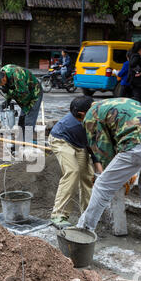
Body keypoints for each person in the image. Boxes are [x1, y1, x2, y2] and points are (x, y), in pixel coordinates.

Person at [76, 97, 141, 246]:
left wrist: (110, 174)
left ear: (81, 114)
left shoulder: (91, 114)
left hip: (138, 142)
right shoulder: (118, 101)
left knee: (102, 185)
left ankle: (83, 231)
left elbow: (103, 149)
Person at [48, 96, 103, 229]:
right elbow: (92, 144)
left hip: (79, 143)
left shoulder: (93, 116)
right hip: (61, 140)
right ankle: (58, 215)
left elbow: (93, 143)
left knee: (88, 176)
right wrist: (98, 164)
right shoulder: (77, 124)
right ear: (82, 114)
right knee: (72, 171)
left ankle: (88, 215)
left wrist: (97, 166)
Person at [0, 65, 43, 143]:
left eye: (1, 84)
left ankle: (28, 142)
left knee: (29, 119)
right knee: (22, 119)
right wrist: (7, 100)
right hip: (24, 95)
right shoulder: (2, 72)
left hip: (34, 94)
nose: (2, 86)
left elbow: (24, 94)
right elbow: (9, 88)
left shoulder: (17, 76)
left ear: (3, 78)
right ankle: (21, 139)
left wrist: (10, 93)